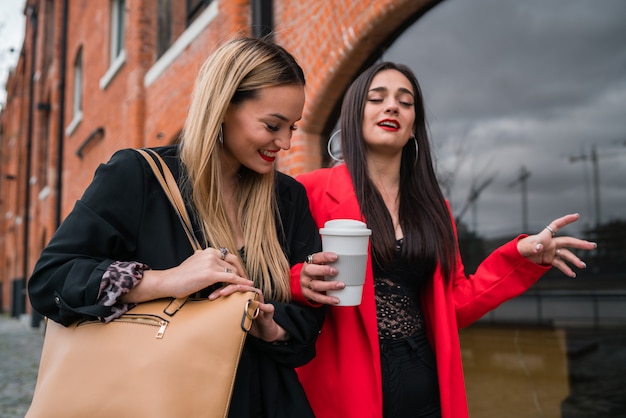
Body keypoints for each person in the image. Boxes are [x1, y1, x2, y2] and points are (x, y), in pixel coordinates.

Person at [28, 37, 325, 417]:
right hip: (163, 400)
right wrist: (165, 280)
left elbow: (305, 332)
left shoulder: (288, 198)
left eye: (293, 128)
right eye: (272, 125)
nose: (283, 143)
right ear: (222, 107)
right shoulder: (138, 176)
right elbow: (50, 280)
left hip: (267, 401)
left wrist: (270, 327)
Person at [293, 61, 598, 418]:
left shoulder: (434, 208)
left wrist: (518, 256)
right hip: (343, 393)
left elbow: (452, 306)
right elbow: (271, 278)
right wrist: (298, 282)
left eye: (405, 102)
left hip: (426, 389)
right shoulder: (308, 192)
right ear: (353, 117)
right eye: (377, 98)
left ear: (412, 130)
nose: (392, 106)